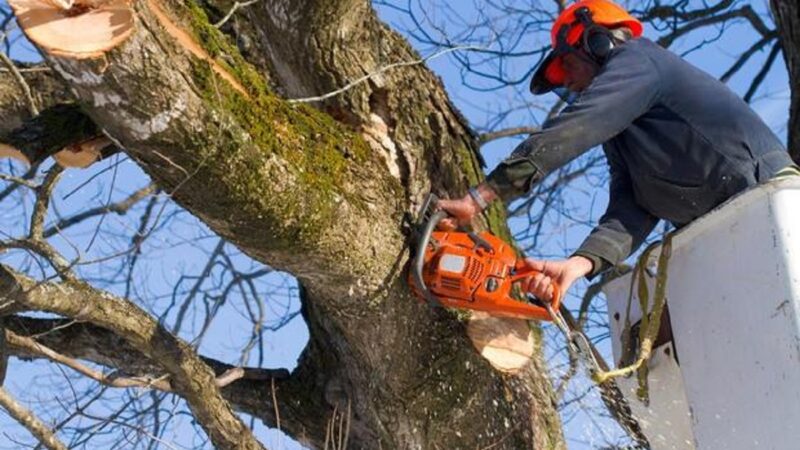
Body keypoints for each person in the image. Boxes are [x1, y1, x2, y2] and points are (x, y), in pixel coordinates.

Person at [437, 0, 798, 302]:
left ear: (597, 43)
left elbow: (578, 126)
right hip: (725, 232)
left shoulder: (640, 61)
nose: (569, 82)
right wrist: (578, 265)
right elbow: (632, 207)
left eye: (568, 67)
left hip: (767, 201)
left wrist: (481, 196)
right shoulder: (624, 132)